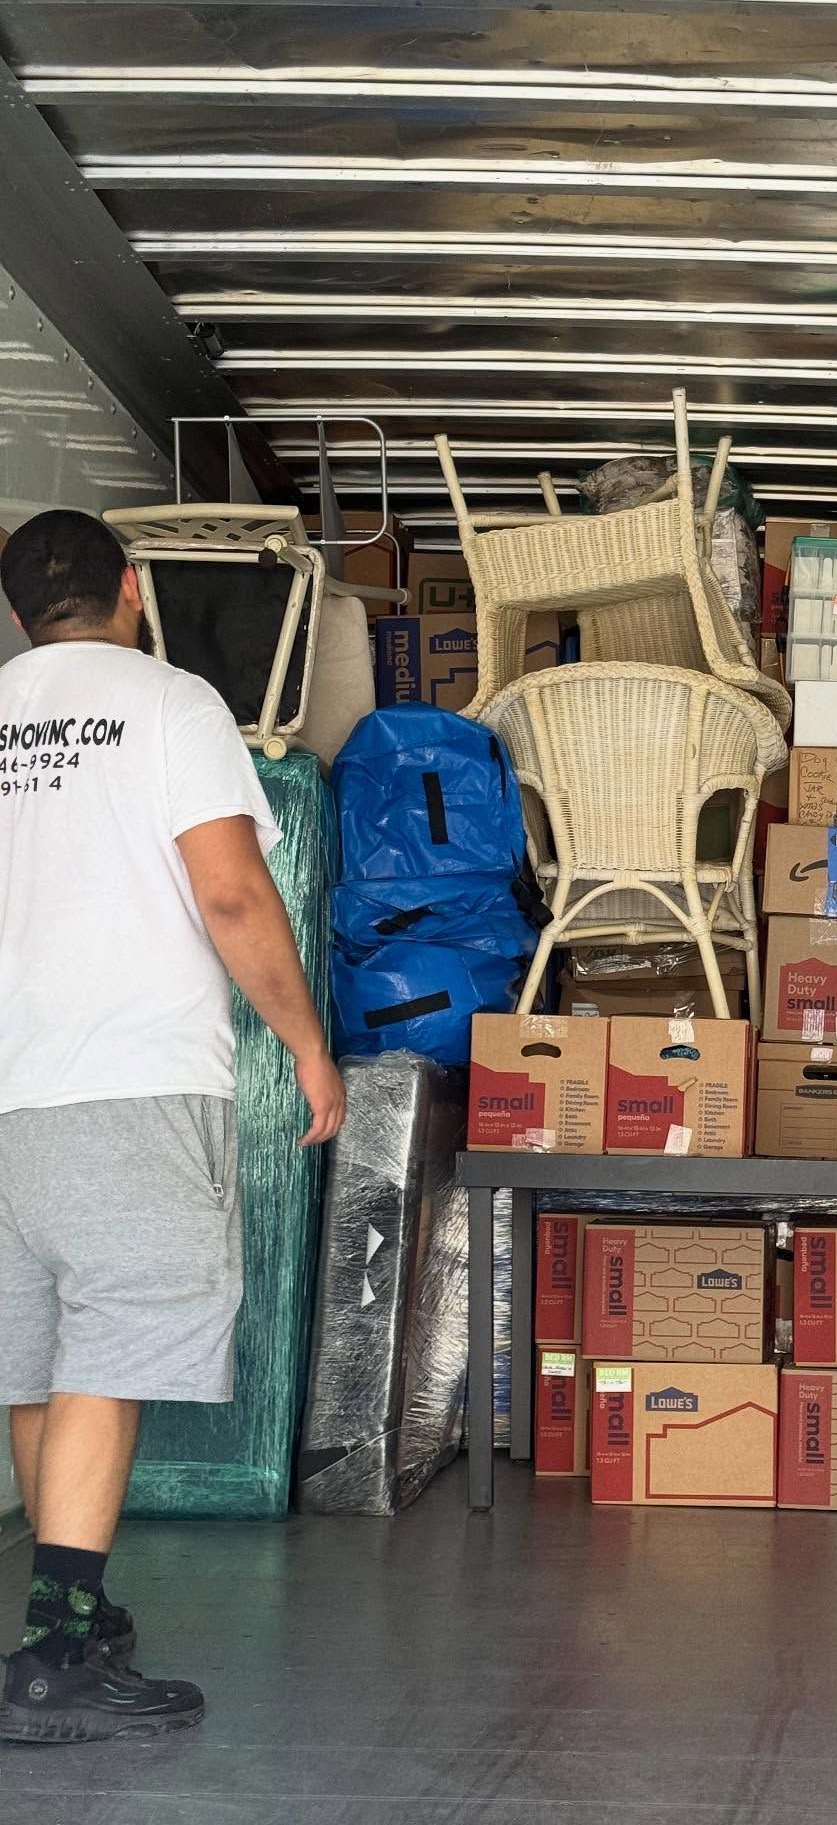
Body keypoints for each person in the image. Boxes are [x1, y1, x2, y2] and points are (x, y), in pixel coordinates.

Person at [0, 510, 347, 1743]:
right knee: (113, 1343)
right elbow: (231, 888)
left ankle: (72, 1622)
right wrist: (308, 1042)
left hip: (8, 1089)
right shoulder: (170, 704)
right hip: (125, 1078)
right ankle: (50, 1656)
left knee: (36, 1357)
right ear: (132, 590)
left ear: (17, 613)